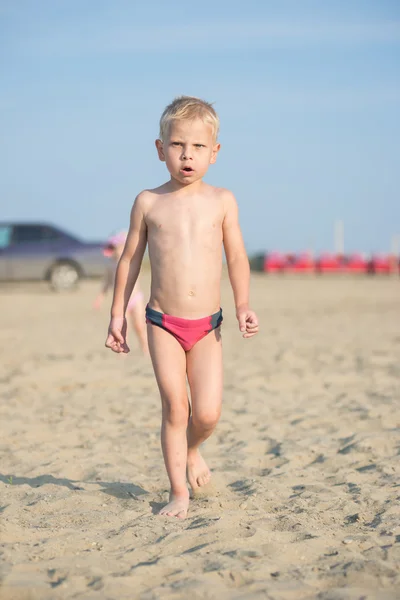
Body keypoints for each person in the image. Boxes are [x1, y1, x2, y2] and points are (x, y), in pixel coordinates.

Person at [105, 96, 259, 519]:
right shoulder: (149, 202)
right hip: (161, 322)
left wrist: (243, 304)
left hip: (208, 325)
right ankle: (178, 493)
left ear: (215, 152)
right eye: (177, 145)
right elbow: (130, 259)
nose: (187, 155)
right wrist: (118, 314)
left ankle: (193, 448)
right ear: (160, 149)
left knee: (207, 414)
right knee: (176, 407)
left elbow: (238, 258)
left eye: (197, 147)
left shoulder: (223, 201)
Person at [95, 231, 148, 355]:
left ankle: (145, 347)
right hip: (122, 302)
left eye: (118, 248)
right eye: (113, 248)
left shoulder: (132, 263)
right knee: (124, 328)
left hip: (136, 299)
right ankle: (122, 350)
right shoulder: (111, 266)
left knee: (139, 326)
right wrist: (99, 299)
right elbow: (106, 284)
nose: (115, 251)